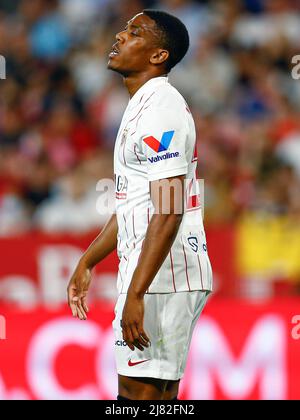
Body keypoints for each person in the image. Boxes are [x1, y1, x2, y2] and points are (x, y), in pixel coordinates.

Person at [67, 9, 213, 401]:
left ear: (158, 55)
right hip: (159, 271)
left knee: (137, 394)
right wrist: (89, 260)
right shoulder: (142, 105)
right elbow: (137, 204)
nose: (118, 36)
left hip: (164, 274)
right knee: (154, 395)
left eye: (134, 33)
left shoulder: (160, 110)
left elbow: (168, 208)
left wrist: (137, 293)